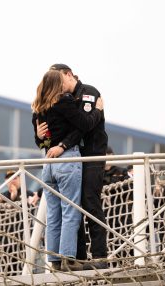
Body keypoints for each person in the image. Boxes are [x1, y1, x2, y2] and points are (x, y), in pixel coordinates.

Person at [31, 69, 104, 271]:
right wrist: (97, 111)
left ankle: (53, 260)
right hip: (66, 159)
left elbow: (41, 140)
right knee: (71, 210)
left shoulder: (38, 108)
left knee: (53, 214)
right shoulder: (64, 101)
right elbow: (83, 124)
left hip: (48, 164)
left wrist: (41, 138)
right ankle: (68, 258)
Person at [49, 63, 109, 269]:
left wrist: (62, 144)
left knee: (90, 202)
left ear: (68, 75)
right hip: (73, 158)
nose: (57, 84)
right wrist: (42, 137)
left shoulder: (88, 92)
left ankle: (100, 256)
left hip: (91, 156)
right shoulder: (61, 100)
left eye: (59, 79)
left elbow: (84, 126)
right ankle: (80, 257)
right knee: (73, 207)